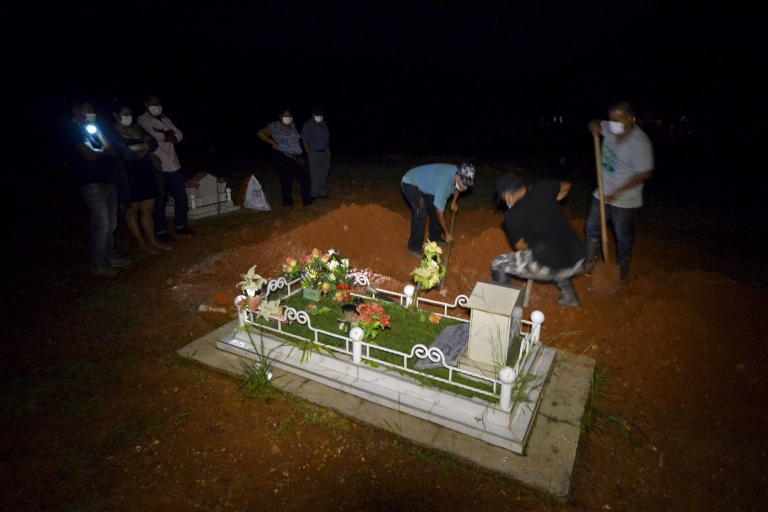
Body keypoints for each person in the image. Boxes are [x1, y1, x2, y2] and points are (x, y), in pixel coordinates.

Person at [582, 101, 654, 282]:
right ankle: (589, 265)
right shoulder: (610, 128)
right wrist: (594, 126)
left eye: (617, 120)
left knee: (623, 235)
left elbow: (646, 173)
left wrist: (619, 191)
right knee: (592, 228)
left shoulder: (640, 142)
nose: (612, 123)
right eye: (611, 119)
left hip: (625, 199)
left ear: (630, 119)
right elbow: (596, 122)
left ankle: (621, 273)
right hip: (602, 191)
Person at [491, 173, 585, 308]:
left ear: (508, 196)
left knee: (498, 263)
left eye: (505, 199)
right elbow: (566, 185)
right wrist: (551, 200)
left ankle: (506, 308)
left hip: (552, 266)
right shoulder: (543, 189)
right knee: (556, 250)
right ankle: (571, 298)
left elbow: (521, 247)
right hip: (578, 260)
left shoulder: (511, 215)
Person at [64, 101, 131, 277]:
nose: (91, 113)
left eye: (93, 110)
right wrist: (102, 148)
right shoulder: (72, 131)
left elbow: (111, 151)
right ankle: (99, 264)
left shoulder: (93, 129)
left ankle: (111, 257)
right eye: (87, 110)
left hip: (108, 181)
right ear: (76, 111)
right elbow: (91, 156)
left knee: (112, 223)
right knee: (102, 224)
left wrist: (100, 143)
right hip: (91, 184)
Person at [108, 100, 172, 254]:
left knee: (148, 210)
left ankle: (153, 242)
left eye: (130, 114)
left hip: (146, 173)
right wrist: (142, 148)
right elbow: (125, 154)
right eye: (125, 114)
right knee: (132, 211)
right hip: (127, 177)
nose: (128, 117)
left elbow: (153, 144)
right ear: (115, 115)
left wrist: (137, 148)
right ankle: (141, 243)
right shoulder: (112, 133)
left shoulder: (137, 128)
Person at [137, 95, 195, 244]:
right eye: (153, 104)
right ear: (146, 104)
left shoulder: (165, 119)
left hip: (174, 164)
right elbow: (156, 136)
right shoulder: (142, 120)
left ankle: (181, 225)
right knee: (160, 201)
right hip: (159, 166)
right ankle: (161, 231)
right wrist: (168, 134)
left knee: (181, 198)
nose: (157, 107)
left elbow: (179, 135)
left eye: (159, 104)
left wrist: (165, 135)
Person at [401, 163, 475, 258]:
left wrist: (454, 202)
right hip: (410, 182)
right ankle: (414, 248)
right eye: (464, 184)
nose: (465, 188)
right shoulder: (444, 183)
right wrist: (447, 234)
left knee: (435, 206)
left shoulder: (458, 176)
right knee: (421, 212)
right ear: (458, 177)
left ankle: (435, 238)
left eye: (468, 185)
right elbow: (439, 213)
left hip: (427, 185)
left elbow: (458, 188)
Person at [257, 109, 312, 209]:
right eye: (286, 116)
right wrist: (272, 142)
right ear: (280, 116)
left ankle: (307, 202)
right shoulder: (276, 126)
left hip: (296, 157)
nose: (288, 118)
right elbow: (260, 133)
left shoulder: (293, 125)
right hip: (284, 156)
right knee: (286, 180)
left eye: (290, 116)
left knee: (305, 177)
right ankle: (288, 203)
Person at [300, 106, 331, 200]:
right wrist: (308, 153)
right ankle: (314, 194)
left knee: (324, 173)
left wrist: (328, 150)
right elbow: (304, 140)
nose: (319, 116)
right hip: (314, 152)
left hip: (325, 152)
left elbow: (327, 137)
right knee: (315, 174)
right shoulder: (308, 125)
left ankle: (322, 193)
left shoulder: (324, 123)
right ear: (313, 115)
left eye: (321, 115)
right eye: (317, 115)